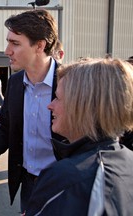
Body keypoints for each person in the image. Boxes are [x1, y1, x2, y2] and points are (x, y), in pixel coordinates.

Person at [0, 9, 65, 213]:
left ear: (40, 45)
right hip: (28, 183)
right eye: (8, 42)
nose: (7, 50)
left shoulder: (71, 82)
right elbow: (5, 130)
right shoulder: (14, 83)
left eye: (15, 43)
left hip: (63, 184)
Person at [26, 58, 133, 216]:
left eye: (58, 98)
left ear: (83, 107)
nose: (50, 106)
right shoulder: (127, 159)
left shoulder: (65, 178)